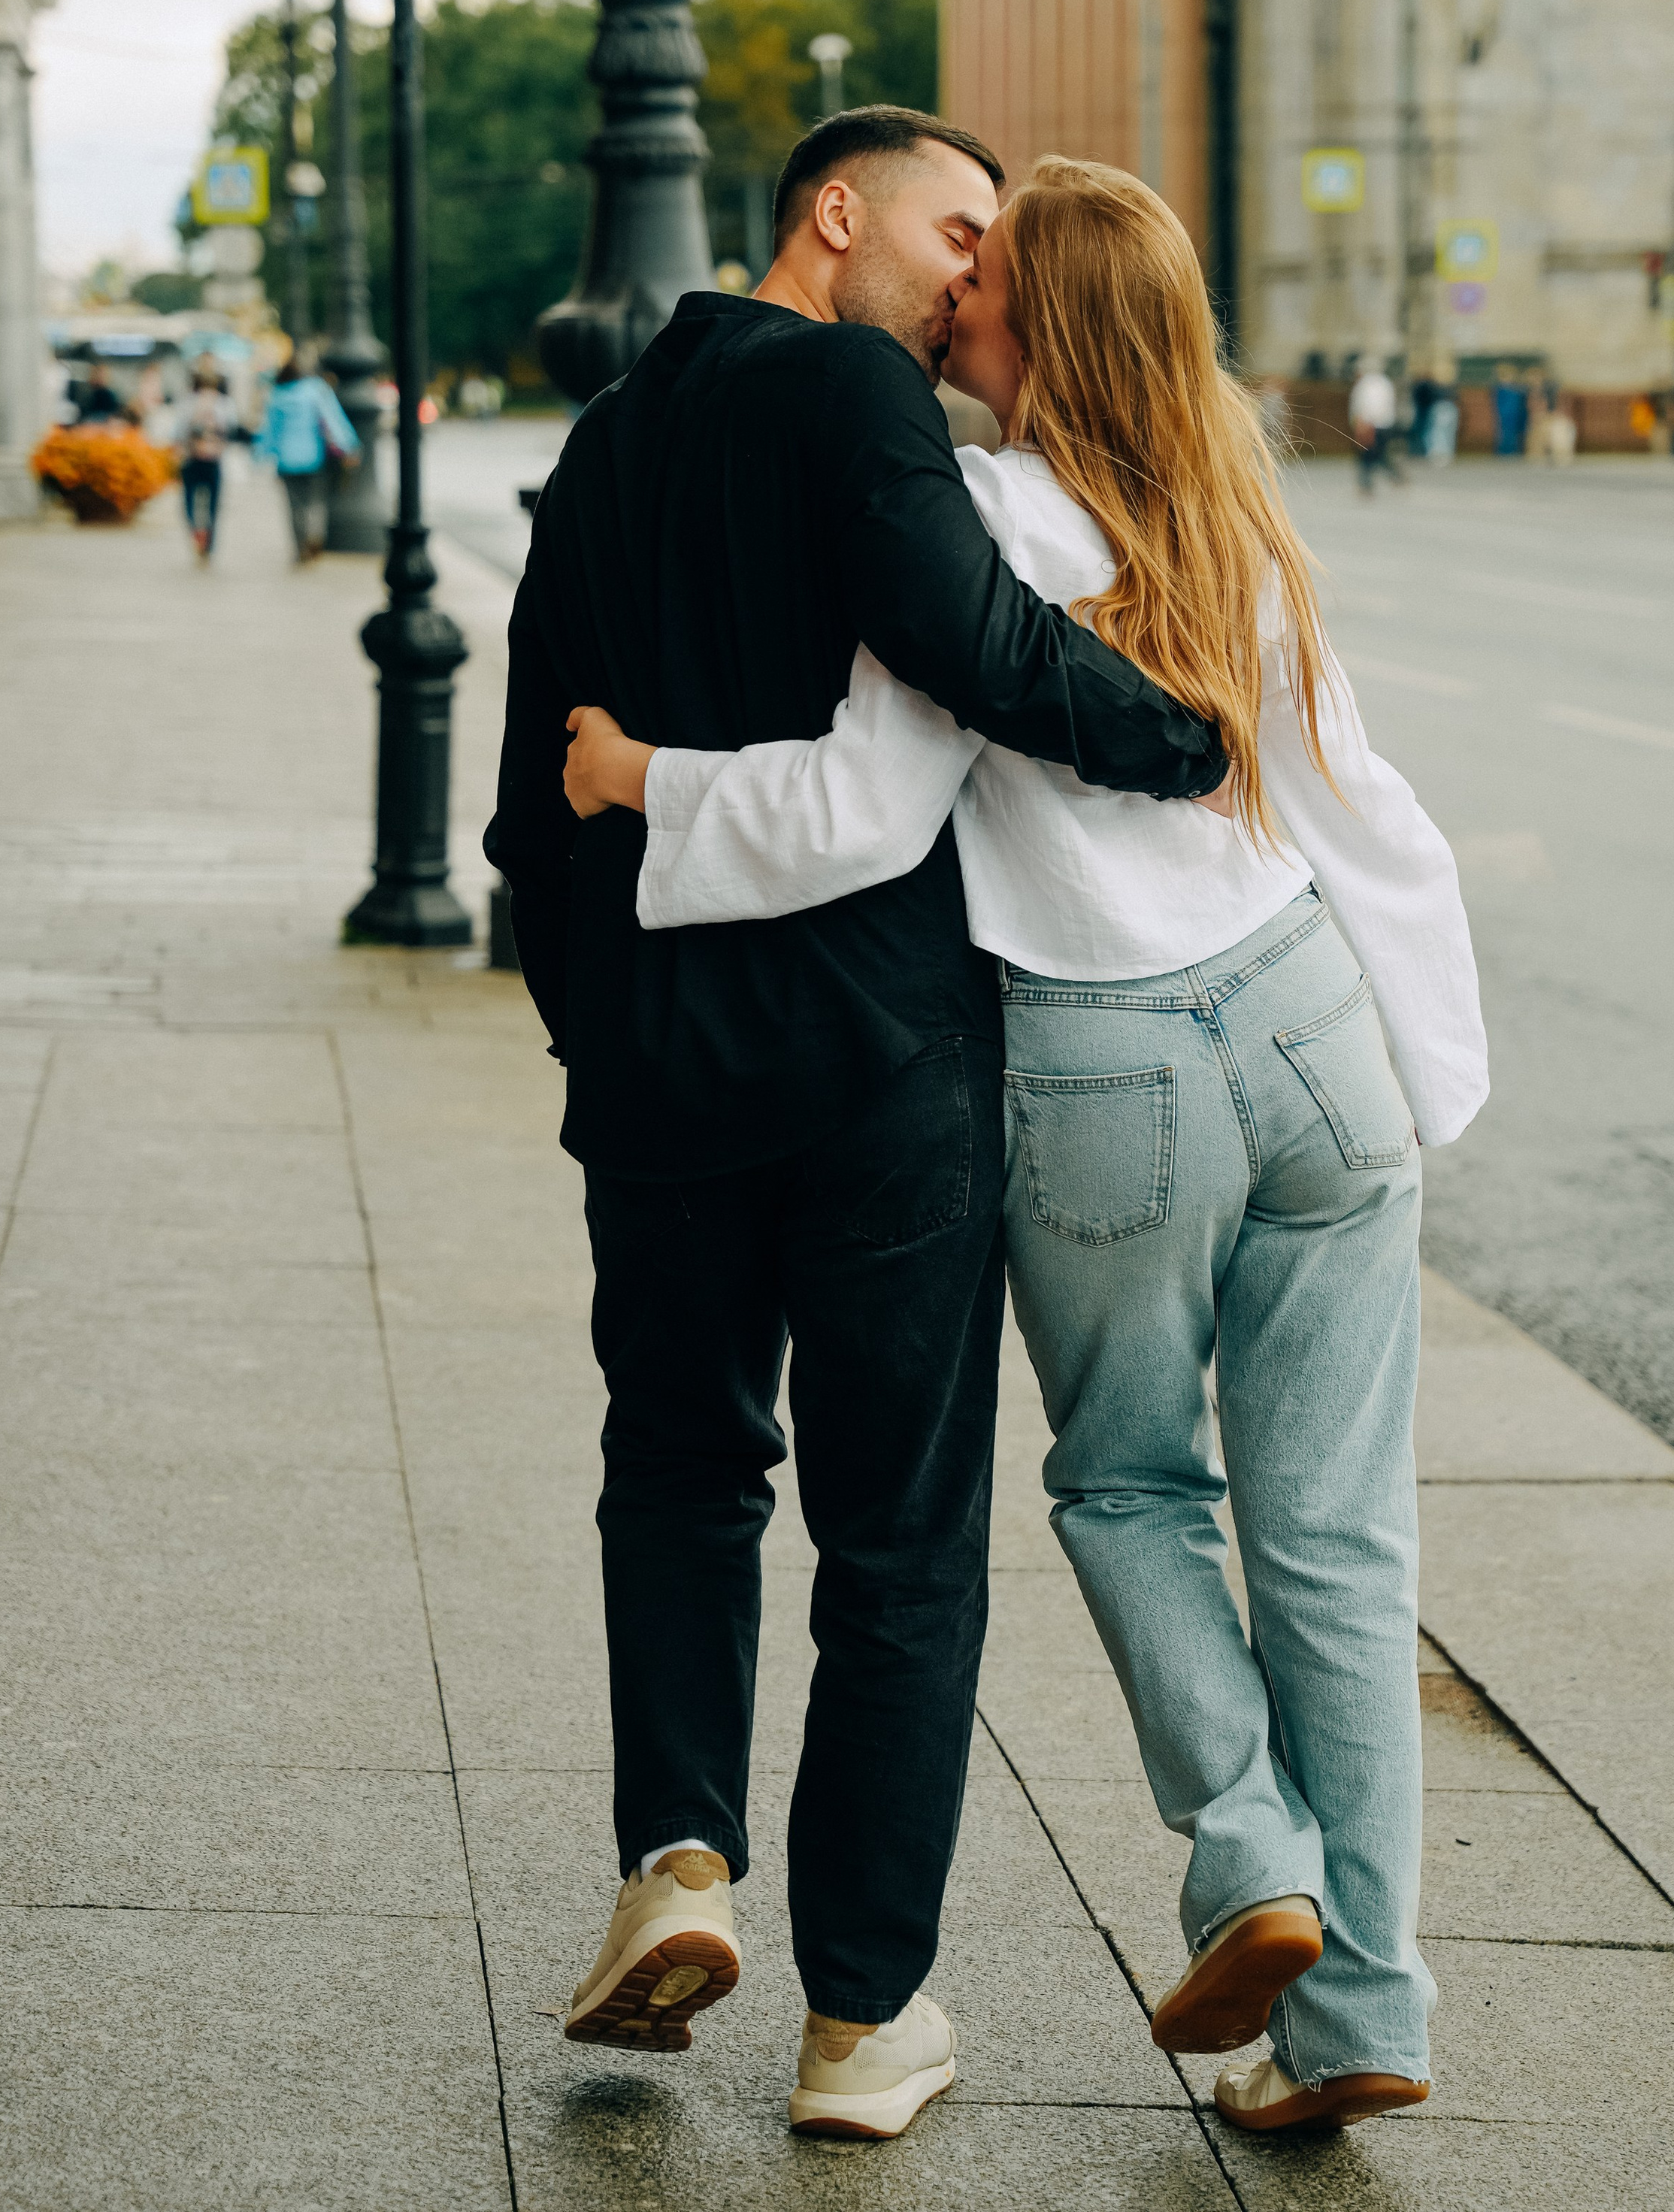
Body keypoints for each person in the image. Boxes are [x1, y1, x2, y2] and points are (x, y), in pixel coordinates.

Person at [565, 157, 1488, 2140]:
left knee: (1135, 1490)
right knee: (1339, 1541)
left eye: (989, 270)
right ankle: (1366, 2012)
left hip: (1104, 1078)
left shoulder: (971, 515)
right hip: (1315, 1026)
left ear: (1029, 331)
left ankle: (1252, 1851)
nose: (954, 288)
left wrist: (647, 783)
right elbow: (1362, 802)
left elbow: (869, 806)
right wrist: (1424, 1086)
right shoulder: (1231, 512)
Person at [483, 109, 1226, 2144]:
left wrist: (604, 1035)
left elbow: (522, 805)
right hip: (881, 1063)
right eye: (955, 224)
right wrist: (1192, 733)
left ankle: (680, 1862)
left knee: (683, 1469)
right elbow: (973, 647)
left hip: (658, 1084)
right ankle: (863, 2022)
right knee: (896, 1543)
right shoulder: (846, 388)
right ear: (836, 211)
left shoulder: (613, 437)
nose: (975, 272)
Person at [254, 349, 358, 562]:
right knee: (315, 501)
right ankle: (315, 536)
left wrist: (259, 456)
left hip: (286, 461)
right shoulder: (316, 390)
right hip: (313, 457)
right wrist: (349, 446)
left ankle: (300, 547)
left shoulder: (277, 396)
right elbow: (333, 420)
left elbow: (269, 432)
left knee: (294, 506)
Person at [176, 364, 232, 561]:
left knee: (189, 499)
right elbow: (230, 430)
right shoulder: (224, 404)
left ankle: (196, 530)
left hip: (191, 458)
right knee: (214, 504)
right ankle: (209, 541)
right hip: (214, 460)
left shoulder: (187, 403)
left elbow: (178, 432)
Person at [1348, 356, 1401, 495]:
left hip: (1369, 425)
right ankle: (1395, 476)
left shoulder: (1364, 385)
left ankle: (1366, 485)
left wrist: (1362, 424)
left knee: (1367, 456)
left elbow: (1364, 406)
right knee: (1379, 454)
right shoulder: (1385, 382)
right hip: (1385, 424)